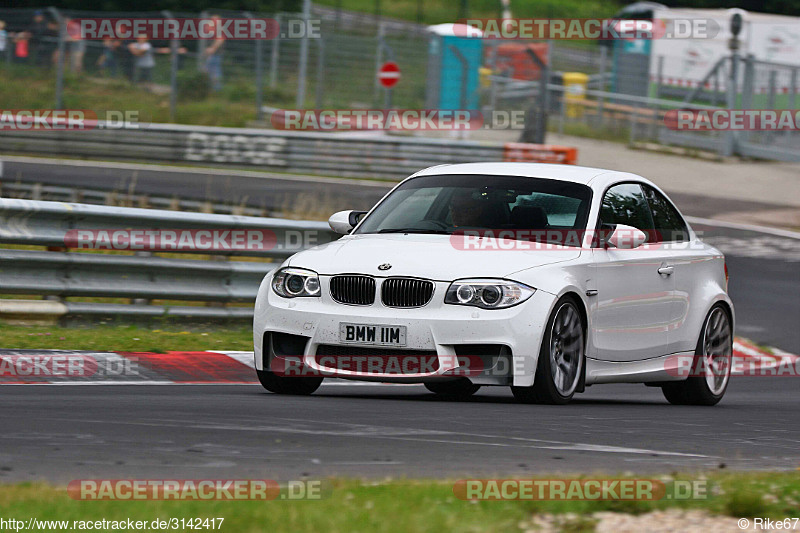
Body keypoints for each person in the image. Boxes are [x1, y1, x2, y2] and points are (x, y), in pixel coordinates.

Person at [202, 15, 225, 92]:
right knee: (209, 71)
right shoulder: (214, 30)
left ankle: (216, 89)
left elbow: (220, 40)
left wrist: (212, 49)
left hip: (215, 55)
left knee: (213, 71)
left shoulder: (219, 30)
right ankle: (213, 89)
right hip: (213, 55)